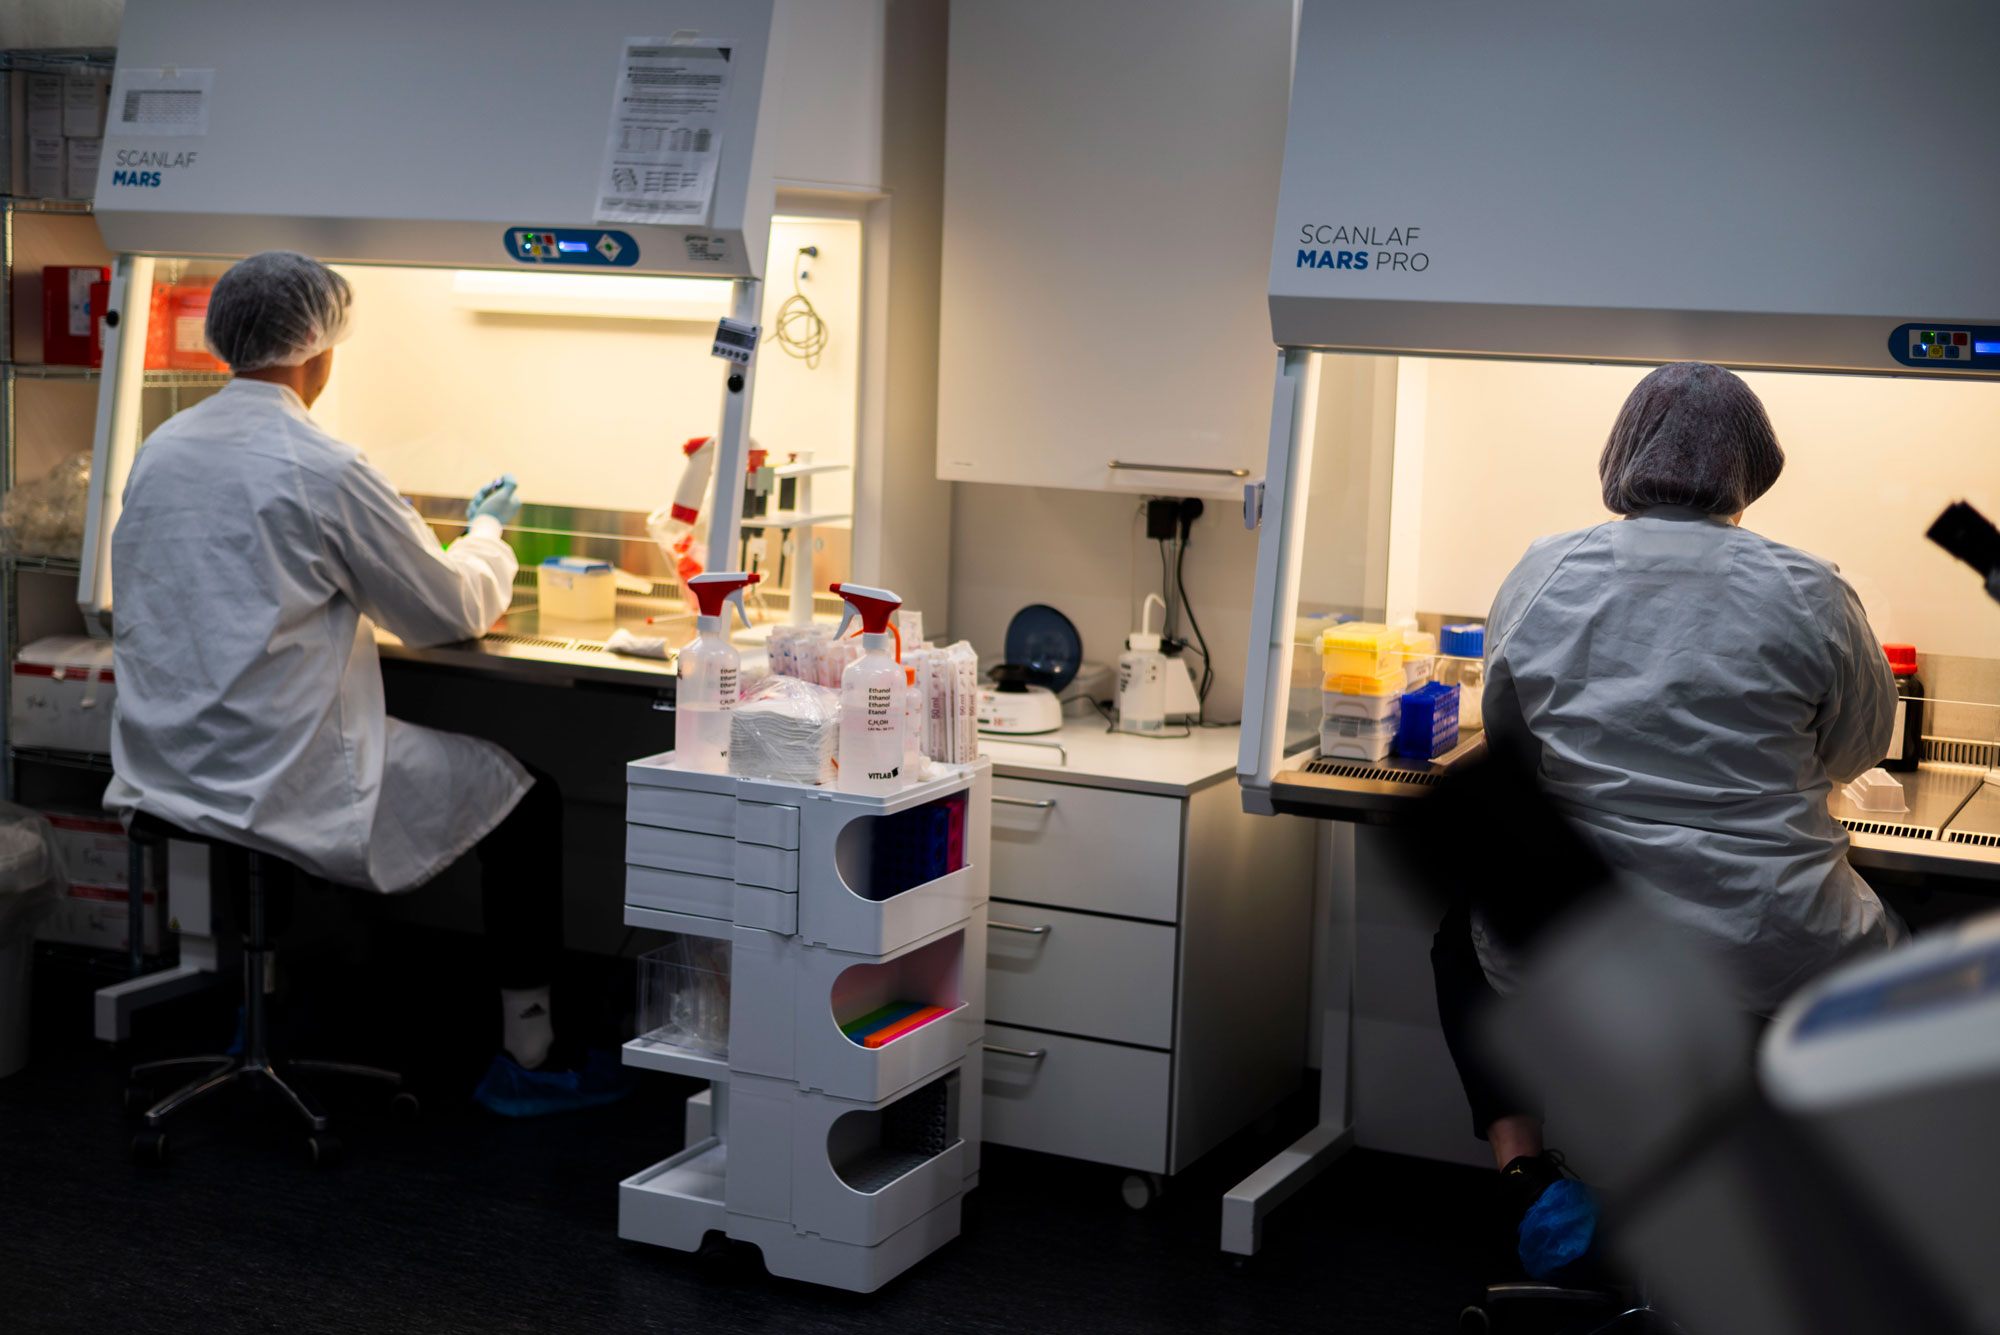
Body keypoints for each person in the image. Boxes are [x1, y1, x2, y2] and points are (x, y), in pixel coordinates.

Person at [105, 251, 620, 1114]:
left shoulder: (162, 448)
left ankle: (258, 1012)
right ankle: (533, 1053)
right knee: (529, 802)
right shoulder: (324, 466)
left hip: (171, 766)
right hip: (290, 773)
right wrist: (487, 532)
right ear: (319, 350)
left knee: (248, 809)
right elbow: (447, 610)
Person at [1433, 361, 1901, 1277]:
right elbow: (1857, 748)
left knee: (1466, 934)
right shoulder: (1811, 589)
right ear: (1751, 469)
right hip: (1766, 950)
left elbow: (1510, 745)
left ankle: (1529, 1182)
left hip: (1583, 945)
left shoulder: (1544, 570)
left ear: (1621, 457)